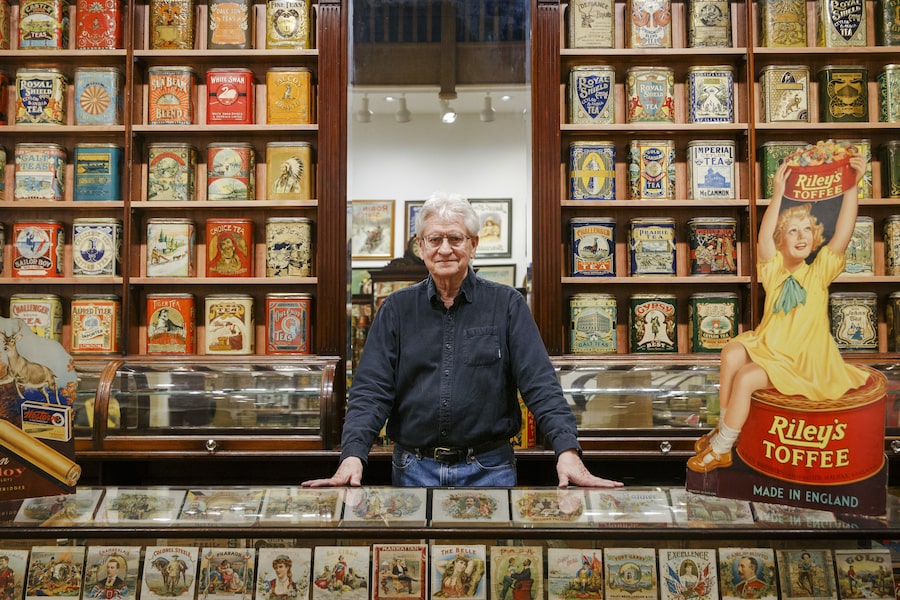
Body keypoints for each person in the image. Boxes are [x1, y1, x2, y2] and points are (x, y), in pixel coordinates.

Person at [302, 193, 623, 488]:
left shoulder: (507, 304)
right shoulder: (396, 310)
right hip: (413, 469)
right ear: (421, 245)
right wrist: (353, 456)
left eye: (455, 238)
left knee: (491, 554)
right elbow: (371, 391)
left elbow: (540, 384)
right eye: (435, 239)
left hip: (490, 469)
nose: (444, 249)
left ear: (473, 244)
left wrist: (566, 450)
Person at [688, 154, 870, 472]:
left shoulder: (820, 270)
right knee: (731, 351)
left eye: (806, 231)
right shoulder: (773, 270)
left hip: (803, 360)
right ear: (780, 242)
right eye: (792, 232)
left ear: (814, 239)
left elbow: (844, 232)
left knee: (746, 378)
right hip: (771, 347)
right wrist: (777, 193)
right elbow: (763, 237)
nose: (800, 236)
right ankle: (725, 431)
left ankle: (721, 448)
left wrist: (852, 187)